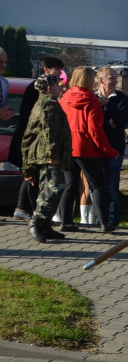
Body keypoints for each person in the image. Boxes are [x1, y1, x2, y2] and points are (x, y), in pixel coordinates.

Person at [58, 66, 117, 233]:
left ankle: (66, 221)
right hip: (87, 149)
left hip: (68, 147)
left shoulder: (64, 98)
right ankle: (105, 223)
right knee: (97, 186)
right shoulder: (92, 100)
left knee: (69, 185)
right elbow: (95, 130)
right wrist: (109, 150)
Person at [20, 74, 72, 243]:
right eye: (58, 84)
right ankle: (37, 222)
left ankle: (45, 226)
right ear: (49, 88)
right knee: (55, 187)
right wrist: (52, 155)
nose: (61, 87)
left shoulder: (40, 102)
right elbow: (49, 130)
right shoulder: (50, 102)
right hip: (48, 154)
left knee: (48, 188)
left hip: (43, 153)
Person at [97, 66, 128, 228]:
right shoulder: (92, 97)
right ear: (101, 80)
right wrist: (110, 121)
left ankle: (112, 219)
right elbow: (97, 124)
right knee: (97, 185)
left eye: (115, 77)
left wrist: (109, 105)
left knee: (112, 184)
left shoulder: (122, 99)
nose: (115, 81)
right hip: (95, 148)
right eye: (111, 78)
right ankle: (98, 218)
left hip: (114, 148)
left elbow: (122, 120)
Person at [0, 47, 14, 122]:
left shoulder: (4, 83)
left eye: (5, 62)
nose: (4, 65)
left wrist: (5, 113)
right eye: (0, 62)